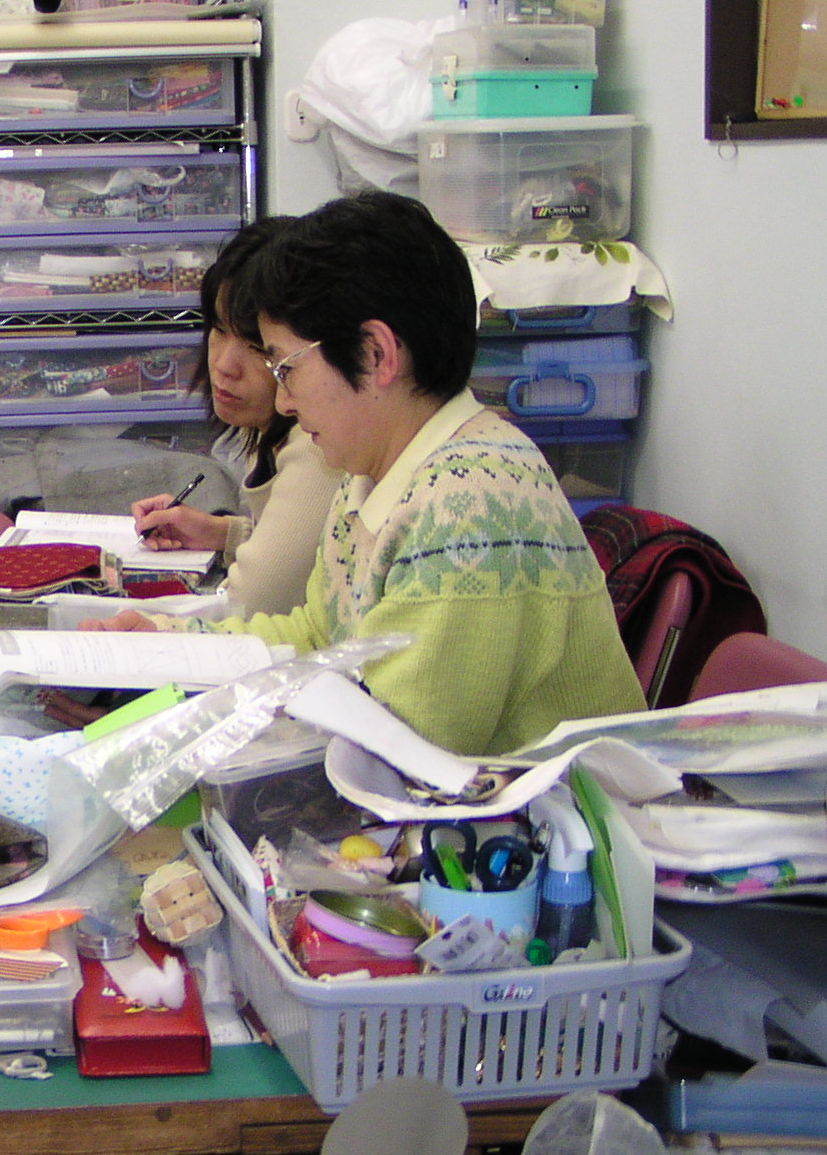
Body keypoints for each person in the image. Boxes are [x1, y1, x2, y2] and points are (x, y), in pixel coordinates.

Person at [93, 192, 643, 757]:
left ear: (376, 354)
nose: (283, 403)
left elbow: (402, 753)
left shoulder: (470, 504)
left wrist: (178, 722)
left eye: (286, 368)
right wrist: (169, 644)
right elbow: (315, 636)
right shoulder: (374, 472)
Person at [129, 217, 341, 617]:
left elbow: (251, 605)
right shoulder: (265, 427)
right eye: (219, 329)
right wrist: (223, 534)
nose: (224, 365)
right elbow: (310, 556)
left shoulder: (317, 446)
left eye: (258, 347)